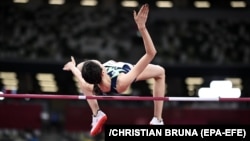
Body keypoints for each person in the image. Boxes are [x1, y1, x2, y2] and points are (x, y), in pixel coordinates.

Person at [63, 3, 166, 136]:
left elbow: (80, 76)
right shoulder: (122, 82)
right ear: (102, 70)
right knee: (160, 72)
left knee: (80, 68)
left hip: (101, 80)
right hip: (128, 70)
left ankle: (97, 113)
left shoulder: (88, 83)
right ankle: (157, 119)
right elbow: (151, 53)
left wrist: (72, 67)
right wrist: (142, 27)